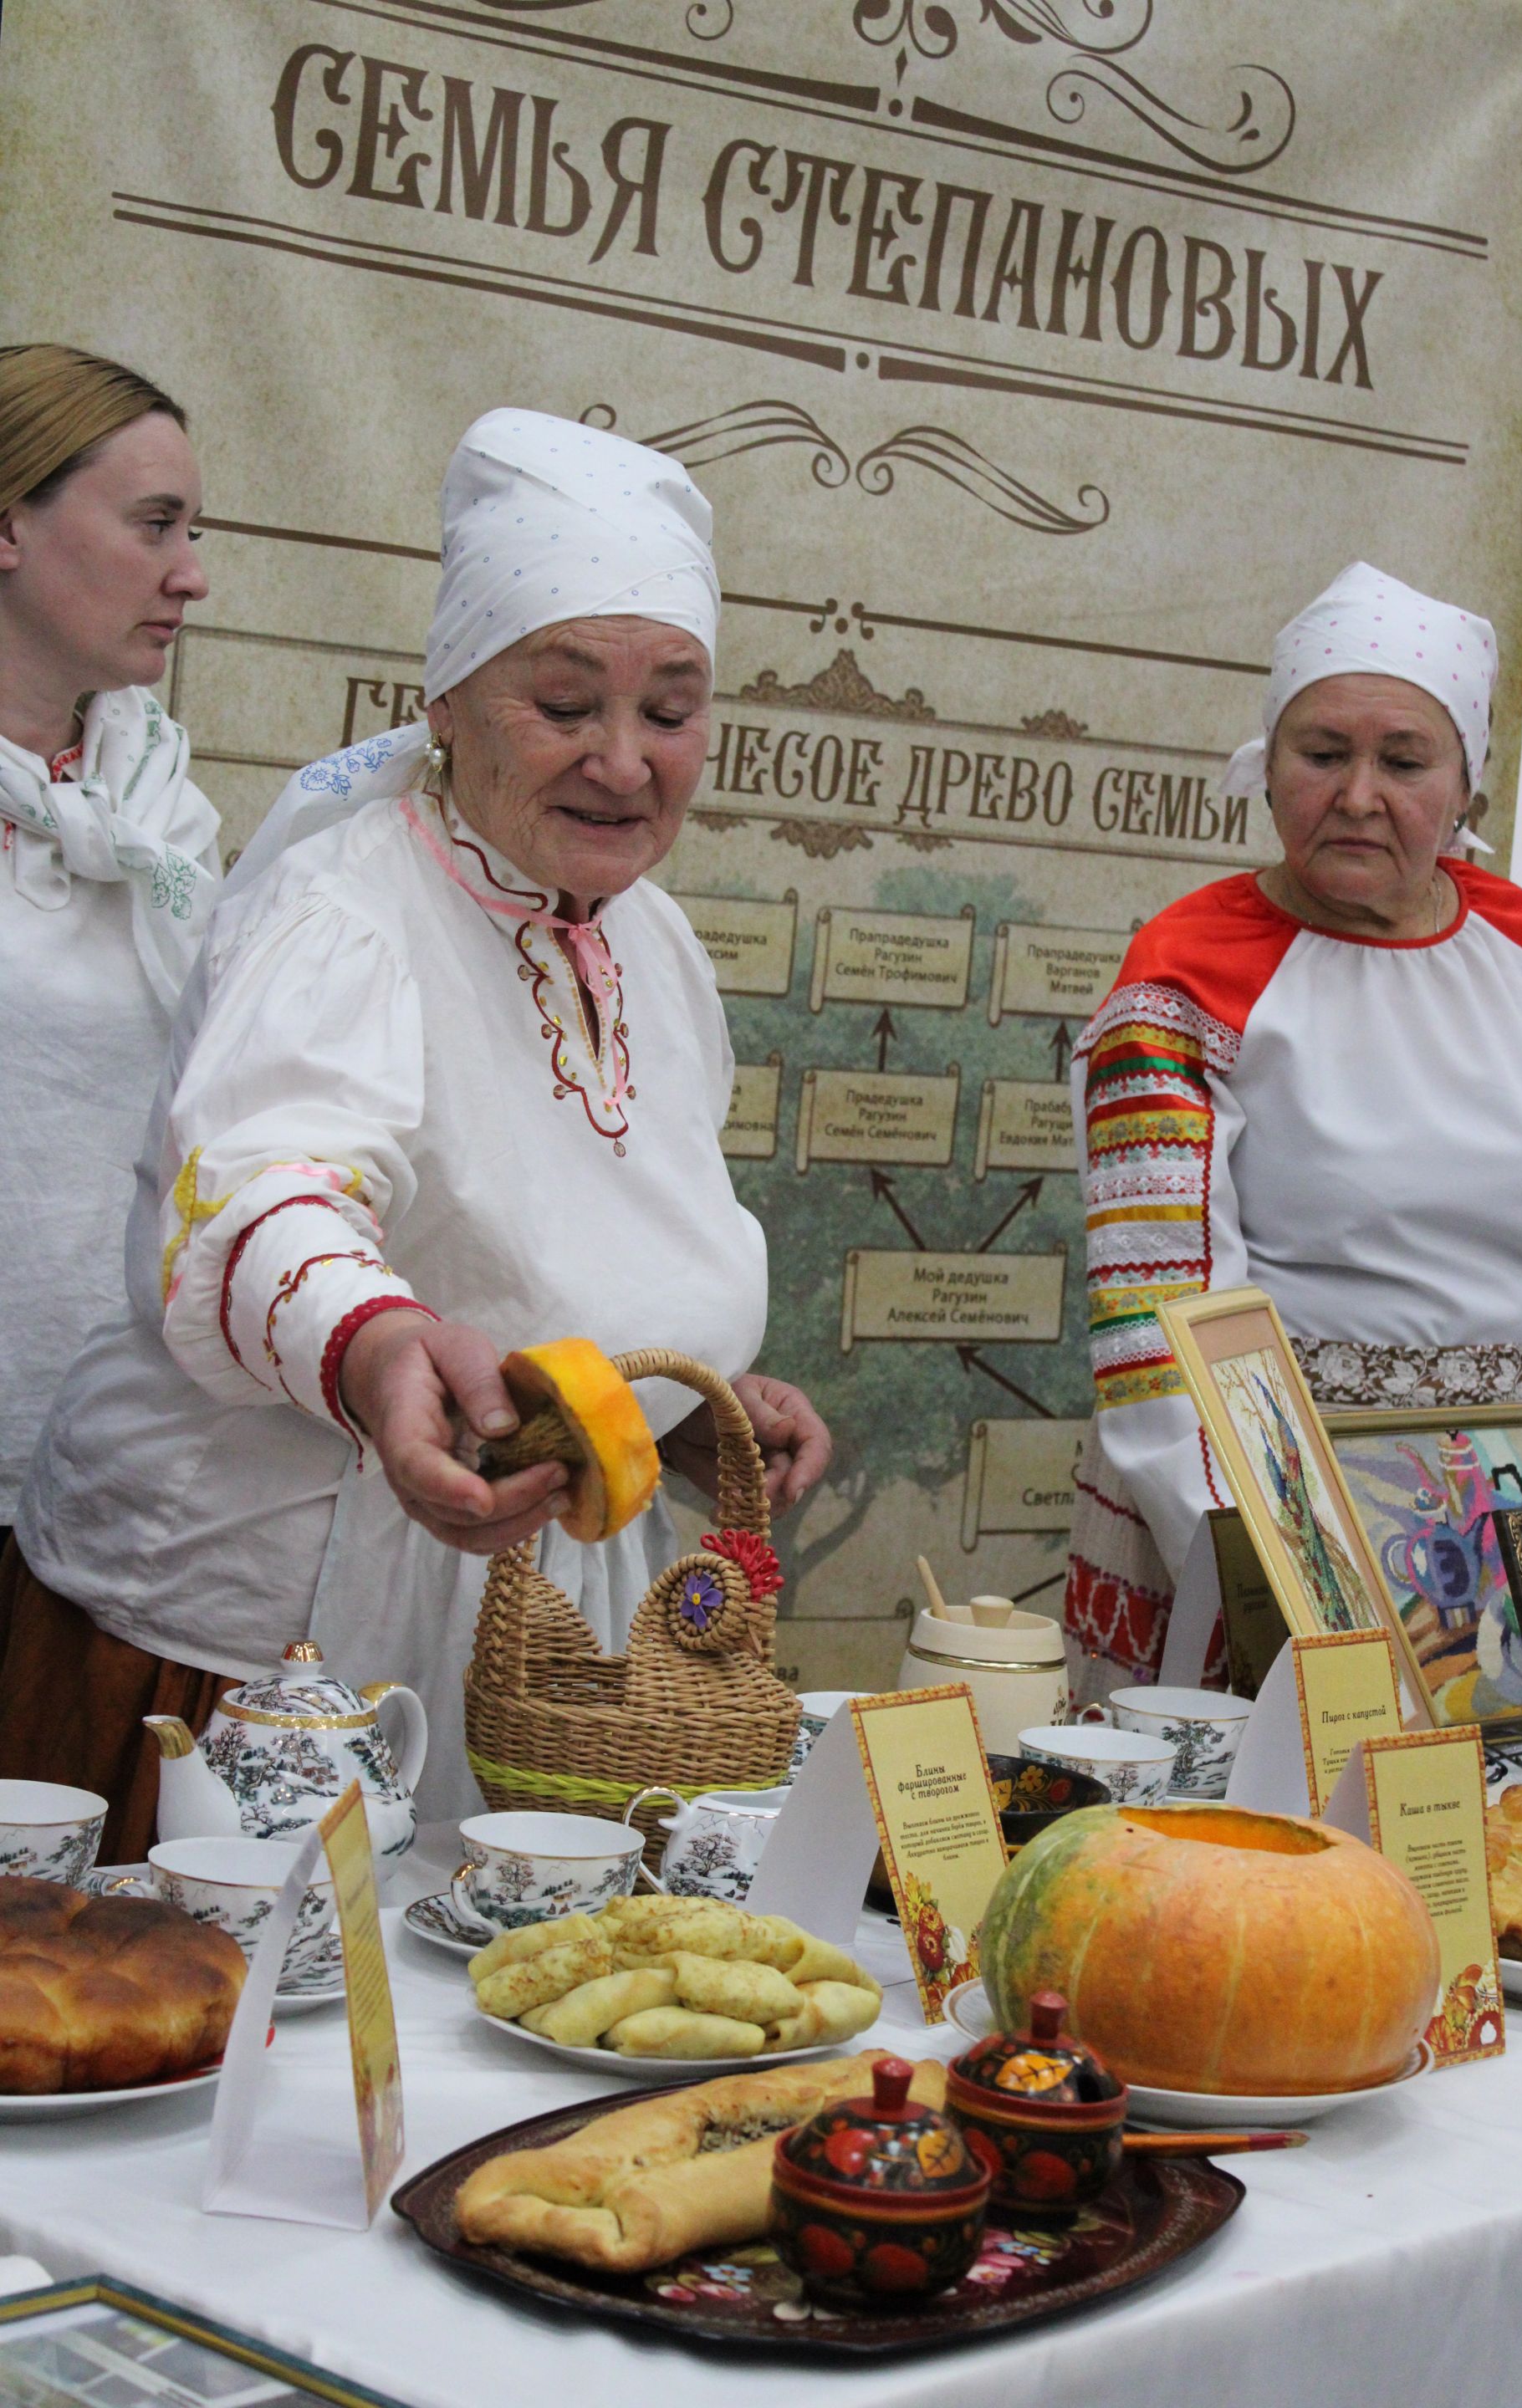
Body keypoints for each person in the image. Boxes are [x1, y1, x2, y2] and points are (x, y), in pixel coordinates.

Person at [2, 408, 830, 1855]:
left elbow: (591, 1235)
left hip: (535, 1633)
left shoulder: (657, 948)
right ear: (444, 701)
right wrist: (384, 1350)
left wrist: (686, 1410)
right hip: (262, 1650)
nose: (625, 764)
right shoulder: (347, 909)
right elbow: (268, 1183)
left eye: (671, 710)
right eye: (565, 706)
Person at [1064, 560, 1522, 1691]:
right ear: (1268, 771)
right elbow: (1164, 1316)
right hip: (1263, 1505)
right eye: (1322, 755)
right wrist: (1285, 1568)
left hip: (1515, 1509)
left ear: (1470, 786)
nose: (1360, 794)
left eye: (1404, 761)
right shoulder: (1189, 974)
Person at [0, 344, 215, 1537]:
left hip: (105, 1473)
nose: (190, 577)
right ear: (9, 528)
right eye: (154, 525)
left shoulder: (160, 810)